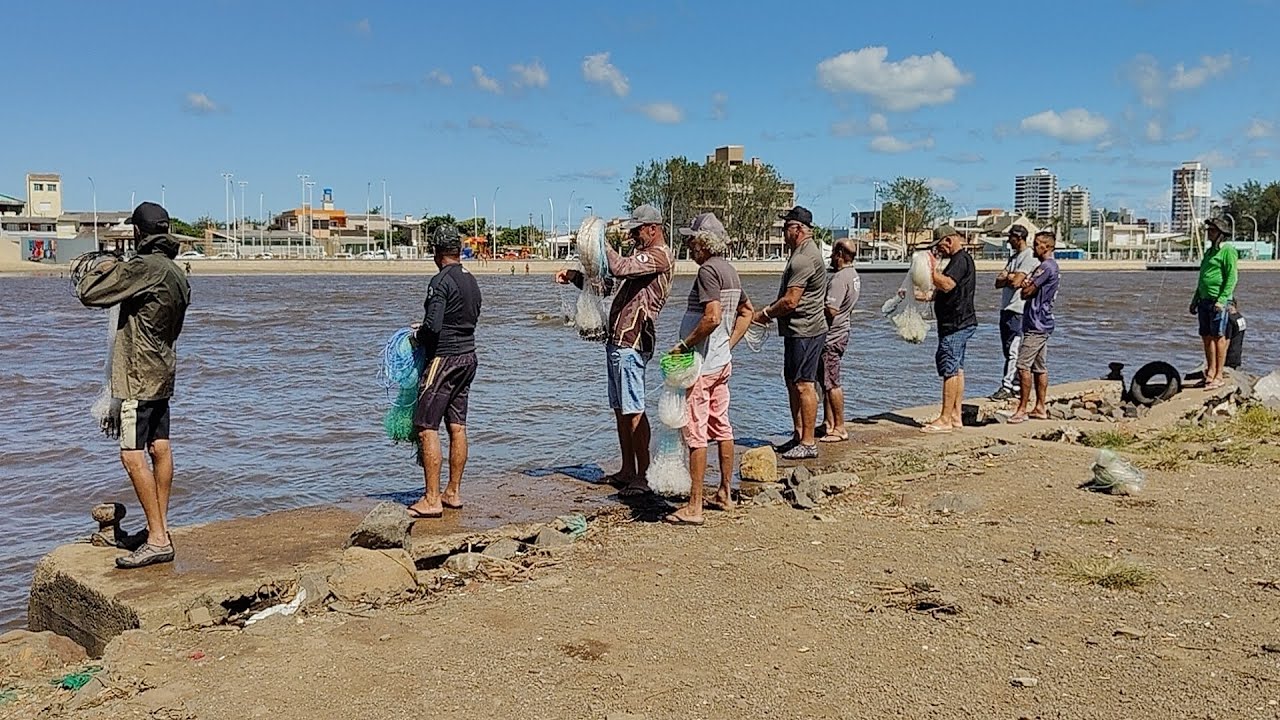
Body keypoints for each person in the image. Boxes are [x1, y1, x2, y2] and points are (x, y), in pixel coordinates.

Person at [75, 202, 191, 569]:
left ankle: (157, 539)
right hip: (163, 371)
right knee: (160, 448)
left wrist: (109, 264)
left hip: (138, 377)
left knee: (131, 455)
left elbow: (89, 293)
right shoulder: (175, 271)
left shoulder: (144, 267)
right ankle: (160, 528)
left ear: (139, 234)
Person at [554, 204, 674, 496]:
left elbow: (619, 268)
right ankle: (626, 470)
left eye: (636, 231)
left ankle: (643, 476)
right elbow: (606, 287)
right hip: (619, 341)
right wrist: (575, 277)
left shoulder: (659, 256)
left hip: (633, 342)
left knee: (634, 410)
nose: (633, 236)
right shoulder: (640, 256)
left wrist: (598, 240)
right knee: (621, 409)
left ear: (652, 229)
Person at [663, 213, 753, 526]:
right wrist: (729, 345)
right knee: (721, 425)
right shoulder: (729, 270)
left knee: (696, 431)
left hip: (702, 367)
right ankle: (725, 493)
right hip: (721, 364)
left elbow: (712, 316)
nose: (688, 243)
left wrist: (684, 346)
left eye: (692, 238)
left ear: (704, 243)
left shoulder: (708, 273)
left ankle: (695, 506)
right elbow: (747, 311)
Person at [407, 225, 483, 519]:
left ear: (436, 252)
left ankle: (431, 499)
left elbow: (433, 327)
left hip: (445, 359)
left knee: (426, 426)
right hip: (468, 357)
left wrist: (416, 336)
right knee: (458, 426)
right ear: (459, 250)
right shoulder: (471, 280)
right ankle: (453, 492)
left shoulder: (440, 281)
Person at [753, 206, 827, 460]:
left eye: (786, 228)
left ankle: (808, 442)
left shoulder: (803, 258)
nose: (784, 233)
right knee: (792, 383)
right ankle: (798, 435)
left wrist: (764, 314)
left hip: (805, 331)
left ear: (798, 229)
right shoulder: (802, 254)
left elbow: (791, 301)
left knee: (804, 385)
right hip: (797, 330)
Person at [921, 225, 976, 434]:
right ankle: (955, 416)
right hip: (960, 322)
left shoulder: (960, 259)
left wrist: (930, 270)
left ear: (948, 241)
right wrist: (919, 296)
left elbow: (947, 285)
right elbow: (944, 291)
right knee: (957, 369)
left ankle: (945, 418)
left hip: (956, 324)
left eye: (940, 246)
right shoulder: (960, 260)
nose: (939, 251)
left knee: (949, 370)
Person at [1009, 232, 1061, 423]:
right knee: (1040, 367)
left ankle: (1022, 408)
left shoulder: (1046, 267)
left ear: (1046, 247)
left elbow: (1026, 292)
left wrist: (1026, 286)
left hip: (1037, 323)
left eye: (1037, 244)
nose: (1034, 248)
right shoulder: (1052, 267)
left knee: (1023, 365)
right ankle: (1040, 407)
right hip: (1043, 322)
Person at [1189, 217, 1238, 390]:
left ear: (1220, 233)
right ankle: (1209, 372)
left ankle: (1218, 375)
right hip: (1204, 300)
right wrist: (1195, 300)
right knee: (1206, 336)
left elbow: (1232, 277)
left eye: (1212, 230)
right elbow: (1202, 279)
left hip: (1219, 302)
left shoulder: (1228, 251)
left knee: (1219, 337)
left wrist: (1222, 299)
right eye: (1208, 230)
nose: (1209, 233)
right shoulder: (1209, 252)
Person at [990, 225, 1038, 400]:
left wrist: (1010, 276)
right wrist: (1010, 276)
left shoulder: (1029, 256)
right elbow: (998, 282)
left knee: (1014, 350)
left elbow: (1016, 282)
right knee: (1007, 349)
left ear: (1018, 237)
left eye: (1010, 237)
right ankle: (1016, 384)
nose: (1008, 240)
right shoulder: (1014, 257)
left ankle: (1008, 385)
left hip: (1019, 309)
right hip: (1006, 309)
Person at [819, 239, 860, 443]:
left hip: (832, 336)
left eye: (834, 253)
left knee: (832, 382)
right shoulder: (853, 276)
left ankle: (840, 427)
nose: (832, 258)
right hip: (843, 331)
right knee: (827, 382)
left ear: (841, 254)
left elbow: (832, 310)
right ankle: (829, 423)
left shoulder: (839, 278)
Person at [1225, 300, 1246, 370]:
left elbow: (1227, 338)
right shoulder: (1240, 317)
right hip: (1237, 354)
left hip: (1230, 355)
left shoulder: (1230, 319)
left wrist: (1222, 354)